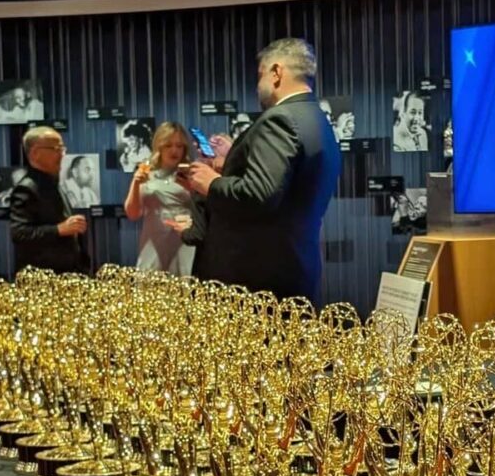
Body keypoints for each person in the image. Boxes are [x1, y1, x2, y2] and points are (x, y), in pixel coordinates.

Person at [185, 37, 341, 304]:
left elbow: (259, 195)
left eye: (260, 76)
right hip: (292, 269)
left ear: (277, 72)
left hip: (256, 280)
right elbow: (285, 185)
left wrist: (210, 182)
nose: (257, 87)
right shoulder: (315, 118)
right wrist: (233, 161)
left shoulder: (279, 118)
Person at [123, 121, 204, 275]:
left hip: (184, 243)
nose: (174, 150)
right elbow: (132, 214)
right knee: (151, 290)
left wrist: (193, 190)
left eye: (179, 146)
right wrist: (135, 183)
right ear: (158, 146)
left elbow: (208, 210)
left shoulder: (193, 174)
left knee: (183, 290)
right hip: (153, 243)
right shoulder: (147, 173)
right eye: (168, 145)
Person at [9, 126, 90, 274]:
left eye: (62, 149)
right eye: (56, 149)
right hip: (42, 282)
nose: (62, 155)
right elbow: (20, 234)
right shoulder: (26, 188)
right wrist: (59, 229)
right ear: (35, 153)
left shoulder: (53, 183)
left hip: (67, 277)